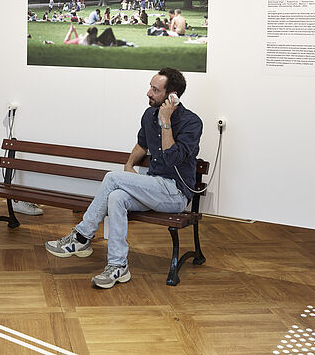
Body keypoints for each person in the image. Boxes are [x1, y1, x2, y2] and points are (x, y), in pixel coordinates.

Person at [45, 68, 203, 288]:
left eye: (155, 90)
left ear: (171, 96)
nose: (148, 92)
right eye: (150, 86)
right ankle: (118, 266)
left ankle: (81, 237)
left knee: (112, 179)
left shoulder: (192, 122)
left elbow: (171, 158)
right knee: (117, 197)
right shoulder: (149, 115)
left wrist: (166, 121)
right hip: (154, 187)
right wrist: (129, 165)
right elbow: (142, 144)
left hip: (174, 194)